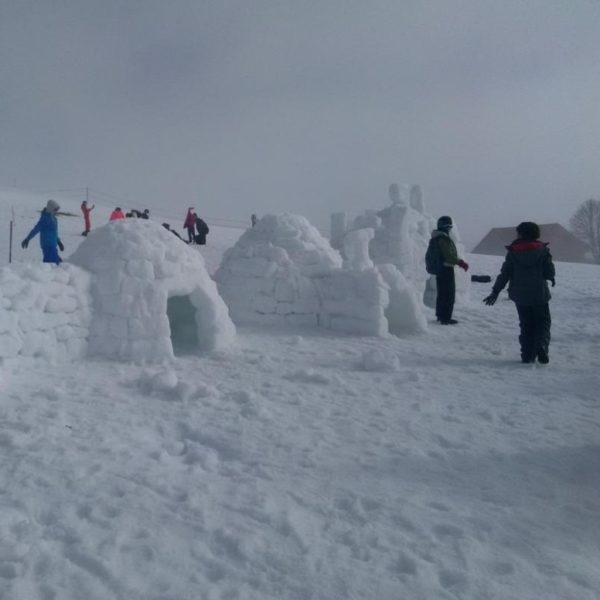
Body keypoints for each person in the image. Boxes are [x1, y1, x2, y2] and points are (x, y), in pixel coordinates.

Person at [483, 222, 555, 364]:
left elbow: (505, 274)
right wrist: (551, 277)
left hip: (520, 295)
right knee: (543, 322)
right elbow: (548, 273)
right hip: (539, 293)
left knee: (526, 324)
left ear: (521, 234)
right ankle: (541, 345)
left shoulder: (513, 252)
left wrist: (495, 291)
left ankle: (527, 354)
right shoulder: (543, 250)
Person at [430, 215, 469, 324]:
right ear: (445, 226)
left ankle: (440, 315)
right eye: (449, 226)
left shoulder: (437, 237)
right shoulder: (443, 239)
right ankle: (445, 318)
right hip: (446, 269)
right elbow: (448, 256)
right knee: (448, 294)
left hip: (440, 270)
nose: (450, 229)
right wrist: (461, 263)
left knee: (442, 294)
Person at [21, 199, 64, 264]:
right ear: (50, 208)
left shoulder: (54, 219)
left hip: (53, 245)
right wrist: (27, 239)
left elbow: (54, 233)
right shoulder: (44, 219)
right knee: (50, 265)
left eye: (57, 210)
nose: (56, 212)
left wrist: (59, 242)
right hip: (47, 245)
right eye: (55, 210)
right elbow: (36, 229)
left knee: (56, 263)